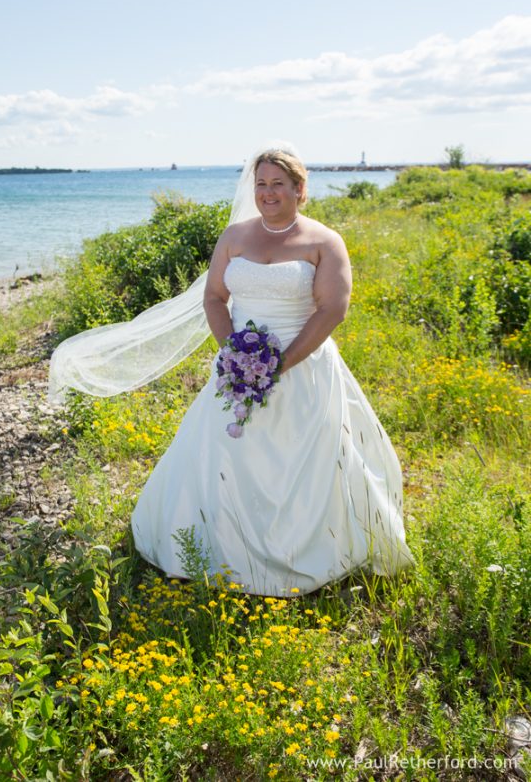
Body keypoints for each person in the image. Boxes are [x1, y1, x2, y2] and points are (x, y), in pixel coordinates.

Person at [128, 147, 415, 595]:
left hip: (304, 366)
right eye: (260, 183)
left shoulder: (324, 241)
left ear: (299, 189)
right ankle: (219, 545)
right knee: (222, 453)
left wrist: (280, 363)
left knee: (309, 461)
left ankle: (310, 551)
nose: (267, 192)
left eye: (277, 184)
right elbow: (214, 298)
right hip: (238, 369)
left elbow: (332, 309)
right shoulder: (234, 236)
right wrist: (234, 354)